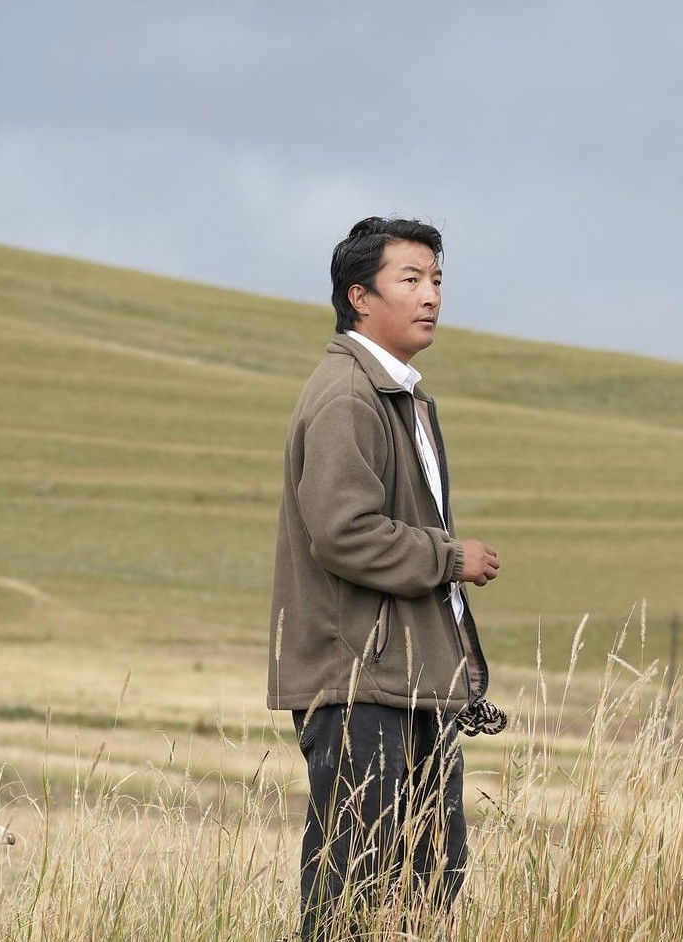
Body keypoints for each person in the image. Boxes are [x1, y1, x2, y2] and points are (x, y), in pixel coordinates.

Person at [268, 216, 504, 940]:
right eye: (411, 279)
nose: (431, 295)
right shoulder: (349, 396)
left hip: (406, 680)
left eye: (436, 279)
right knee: (352, 889)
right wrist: (448, 558)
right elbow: (343, 532)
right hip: (359, 682)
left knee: (429, 884)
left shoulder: (399, 396)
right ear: (360, 297)